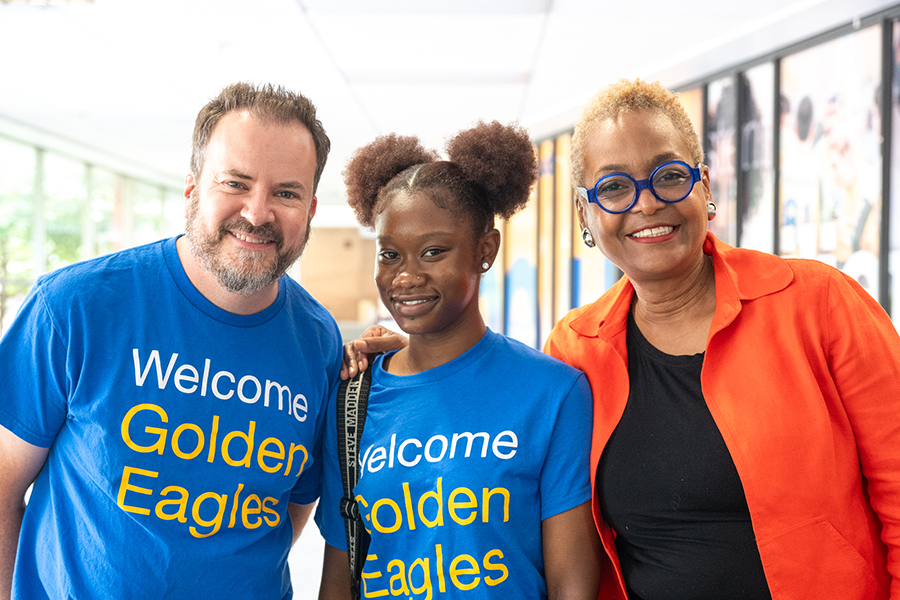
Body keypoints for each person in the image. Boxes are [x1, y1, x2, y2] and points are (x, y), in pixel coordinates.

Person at [544, 79, 900, 599]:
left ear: (704, 187)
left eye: (668, 176)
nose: (646, 204)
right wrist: (393, 373)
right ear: (586, 215)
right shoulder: (575, 349)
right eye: (614, 187)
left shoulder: (820, 303)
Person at [0, 82, 342, 599]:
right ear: (192, 188)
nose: (257, 212)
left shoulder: (318, 341)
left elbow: (292, 503)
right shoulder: (75, 306)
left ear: (311, 209)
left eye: (286, 193)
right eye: (236, 183)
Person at [315, 122, 602, 599]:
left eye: (433, 252)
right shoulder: (353, 401)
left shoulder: (552, 393)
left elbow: (573, 583)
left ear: (484, 251)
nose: (405, 277)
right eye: (389, 254)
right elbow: (339, 579)